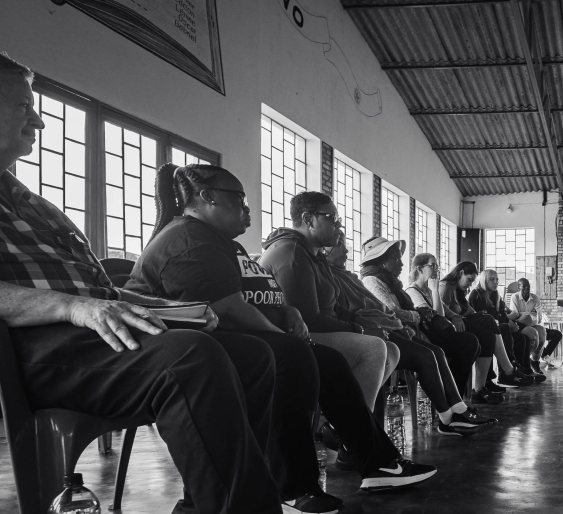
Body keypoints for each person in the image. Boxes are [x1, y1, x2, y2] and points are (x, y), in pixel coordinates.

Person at [0, 52, 347, 514]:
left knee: (250, 354)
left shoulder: (31, 203)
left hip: (95, 335)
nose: (38, 121)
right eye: (23, 106)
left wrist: (171, 310)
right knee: (191, 358)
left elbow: (102, 291)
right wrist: (71, 307)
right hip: (37, 348)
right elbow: (77, 302)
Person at [125, 163, 436, 495]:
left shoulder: (225, 243)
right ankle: (294, 489)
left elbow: (254, 297)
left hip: (223, 337)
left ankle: (377, 464)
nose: (247, 209)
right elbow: (229, 309)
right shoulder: (190, 240)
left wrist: (286, 311)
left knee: (323, 360)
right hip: (176, 349)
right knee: (295, 356)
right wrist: (284, 333)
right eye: (240, 199)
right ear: (208, 197)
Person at [271, 214, 492, 438]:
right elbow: (362, 312)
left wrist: (399, 322)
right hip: (370, 331)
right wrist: (396, 322)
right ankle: (444, 419)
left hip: (385, 329)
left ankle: (455, 410)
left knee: (437, 350)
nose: (346, 251)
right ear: (381, 261)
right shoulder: (361, 279)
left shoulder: (358, 278)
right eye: (341, 245)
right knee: (423, 354)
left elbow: (378, 310)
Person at [260, 192, 398, 412]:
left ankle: (339, 419)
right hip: (297, 336)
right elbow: (308, 319)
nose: (338, 224)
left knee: (392, 351)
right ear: (308, 219)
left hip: (322, 330)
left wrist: (364, 323)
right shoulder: (292, 252)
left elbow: (334, 307)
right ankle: (355, 427)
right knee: (373, 349)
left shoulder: (314, 254)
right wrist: (361, 330)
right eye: (332, 217)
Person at [403, 252, 493, 402]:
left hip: (438, 332)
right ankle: (453, 397)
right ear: (419, 269)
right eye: (432, 266)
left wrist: (455, 316)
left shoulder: (427, 290)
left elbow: (447, 312)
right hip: (427, 336)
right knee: (470, 342)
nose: (436, 269)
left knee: (475, 342)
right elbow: (436, 317)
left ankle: (455, 395)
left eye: (437, 266)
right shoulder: (413, 291)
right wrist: (435, 291)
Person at [438, 261, 534, 402]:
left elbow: (470, 310)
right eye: (469, 280)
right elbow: (440, 313)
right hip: (451, 329)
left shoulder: (459, 290)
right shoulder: (446, 286)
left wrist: (479, 315)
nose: (470, 284)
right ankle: (508, 370)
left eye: (472, 281)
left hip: (461, 326)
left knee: (488, 336)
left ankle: (479, 389)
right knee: (490, 321)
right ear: (460, 273)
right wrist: (455, 316)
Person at [469, 269, 544, 383]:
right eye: (492, 279)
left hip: (497, 325)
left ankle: (525, 370)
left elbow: (502, 313)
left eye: (497, 279)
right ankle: (507, 373)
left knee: (522, 337)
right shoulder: (477, 294)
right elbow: (487, 317)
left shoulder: (495, 294)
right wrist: (508, 322)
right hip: (483, 328)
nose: (496, 282)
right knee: (504, 328)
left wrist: (513, 323)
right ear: (484, 280)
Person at [509, 277, 563, 369]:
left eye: (528, 286)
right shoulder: (515, 297)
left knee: (557, 334)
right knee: (534, 336)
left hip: (535, 326)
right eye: (524, 286)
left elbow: (539, 317)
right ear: (518, 287)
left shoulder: (535, 298)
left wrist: (525, 316)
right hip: (521, 328)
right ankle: (542, 359)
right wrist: (530, 315)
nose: (527, 288)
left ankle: (544, 356)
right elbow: (515, 316)